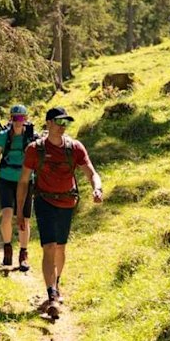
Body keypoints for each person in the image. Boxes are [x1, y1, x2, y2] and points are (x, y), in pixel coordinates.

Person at [16, 107, 104, 310]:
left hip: (67, 202)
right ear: (48, 123)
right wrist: (20, 211)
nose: (62, 127)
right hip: (44, 201)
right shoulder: (34, 150)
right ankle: (52, 295)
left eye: (66, 123)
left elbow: (91, 172)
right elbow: (23, 181)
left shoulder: (75, 148)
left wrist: (97, 188)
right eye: (58, 122)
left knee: (60, 248)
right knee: (49, 246)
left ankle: (57, 283)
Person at [0, 104, 36, 270]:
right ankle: (7, 249)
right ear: (10, 119)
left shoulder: (32, 137)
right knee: (6, 216)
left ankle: (23, 254)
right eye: (14, 118)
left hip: (26, 181)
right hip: (6, 179)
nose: (18, 122)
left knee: (25, 219)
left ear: (26, 119)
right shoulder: (3, 136)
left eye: (21, 118)